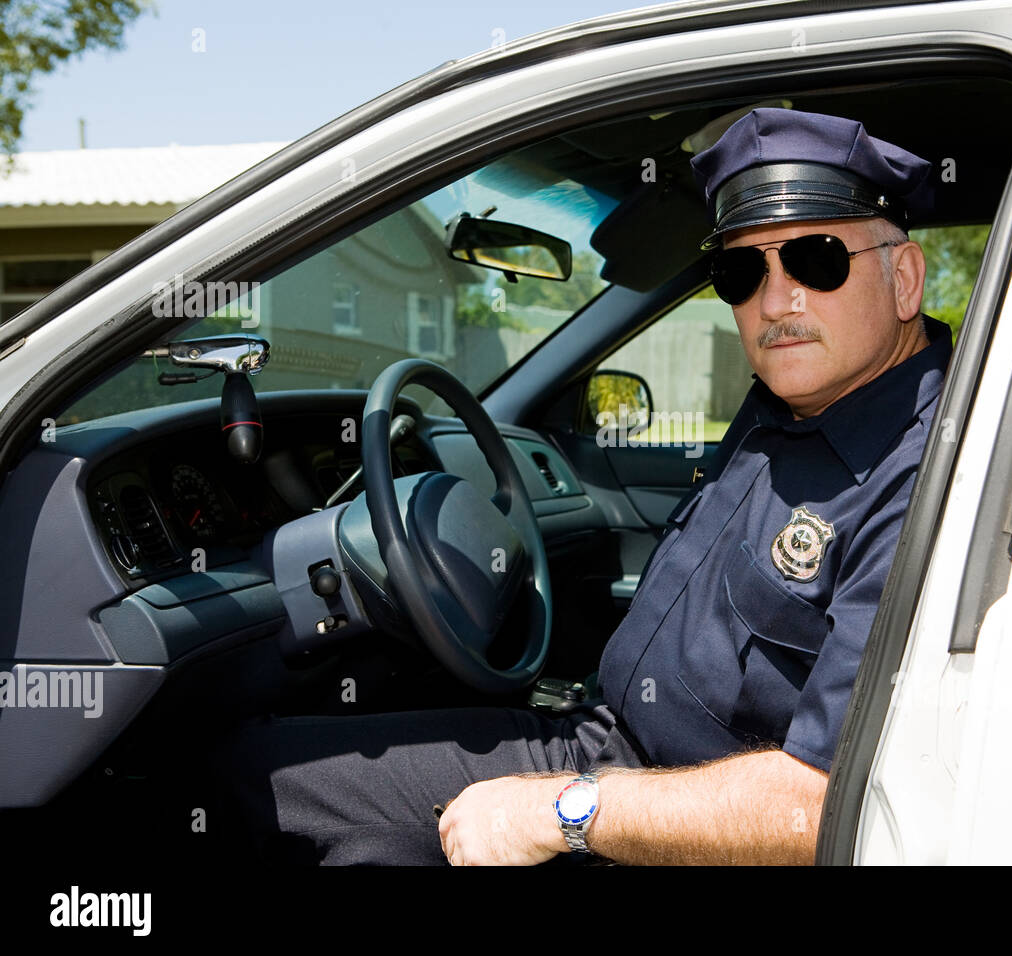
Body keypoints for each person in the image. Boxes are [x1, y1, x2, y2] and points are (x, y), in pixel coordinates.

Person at [208, 107, 951, 866]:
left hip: (695, 825)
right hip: (603, 746)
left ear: (904, 278)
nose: (774, 300)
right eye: (741, 270)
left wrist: (564, 811)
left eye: (816, 260)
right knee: (258, 773)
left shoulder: (929, 479)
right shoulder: (785, 406)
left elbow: (819, 810)